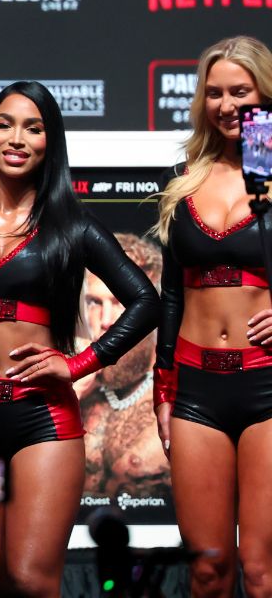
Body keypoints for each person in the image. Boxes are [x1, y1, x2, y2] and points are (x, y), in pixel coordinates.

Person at [0, 81, 159, 598]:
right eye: (5, 124)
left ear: (51, 143)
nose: (17, 138)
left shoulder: (71, 228)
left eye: (34, 127)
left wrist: (79, 363)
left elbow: (146, 301)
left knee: (30, 582)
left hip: (43, 422)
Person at [152, 35, 272, 598]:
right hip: (197, 387)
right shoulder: (184, 177)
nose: (228, 105)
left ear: (265, 93)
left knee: (263, 571)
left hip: (267, 384)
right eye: (216, 92)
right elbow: (171, 295)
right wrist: (163, 386)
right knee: (207, 571)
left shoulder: (271, 172)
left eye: (241, 92)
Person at [78, 233, 170, 499]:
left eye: (122, 302)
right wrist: (69, 395)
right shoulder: (70, 388)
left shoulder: (181, 398)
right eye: (94, 302)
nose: (105, 320)